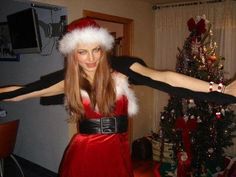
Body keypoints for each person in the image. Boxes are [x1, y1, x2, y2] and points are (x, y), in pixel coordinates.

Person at [0, 17, 236, 176]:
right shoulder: (69, 81)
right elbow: (24, 91)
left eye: (96, 50)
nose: (91, 58)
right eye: (82, 52)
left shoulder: (122, 68)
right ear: (73, 55)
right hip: (86, 151)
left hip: (118, 148)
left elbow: (166, 78)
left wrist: (219, 89)